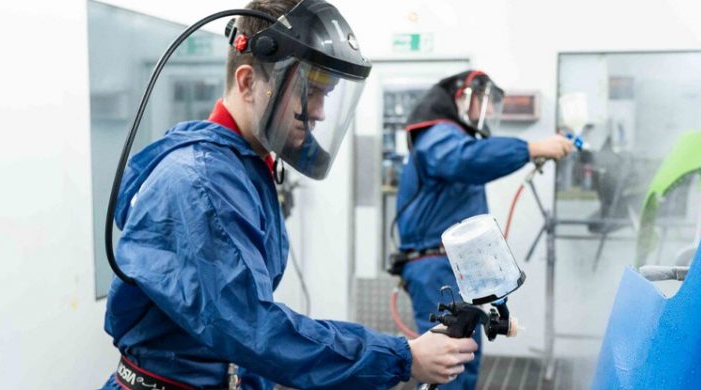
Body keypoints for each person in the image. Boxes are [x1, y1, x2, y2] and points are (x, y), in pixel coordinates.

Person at [102, 1, 477, 389]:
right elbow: (253, 328)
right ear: (248, 83)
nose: (318, 113)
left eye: (326, 95)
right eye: (308, 92)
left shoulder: (242, 167)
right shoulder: (199, 183)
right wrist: (401, 358)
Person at [394, 70, 575, 390]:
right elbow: (464, 159)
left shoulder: (450, 135)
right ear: (463, 98)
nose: (489, 112)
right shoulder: (439, 135)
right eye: (484, 102)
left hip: (450, 268)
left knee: (462, 359)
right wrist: (529, 148)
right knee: (448, 364)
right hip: (436, 268)